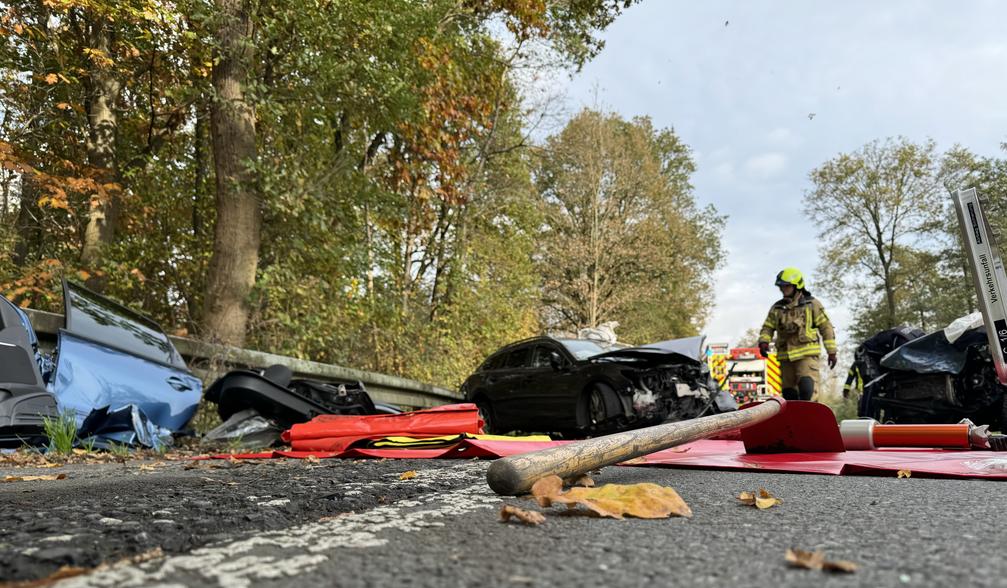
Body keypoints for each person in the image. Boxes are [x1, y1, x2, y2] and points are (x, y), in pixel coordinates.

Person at [757, 267, 837, 401]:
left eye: (786, 286)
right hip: (785, 358)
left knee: (807, 391)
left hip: (806, 357)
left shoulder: (812, 305)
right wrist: (763, 341)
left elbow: (826, 327)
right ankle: (794, 422)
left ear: (796, 285)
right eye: (781, 286)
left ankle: (810, 420)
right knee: (789, 396)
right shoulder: (777, 308)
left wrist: (832, 351)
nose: (783, 289)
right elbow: (768, 327)